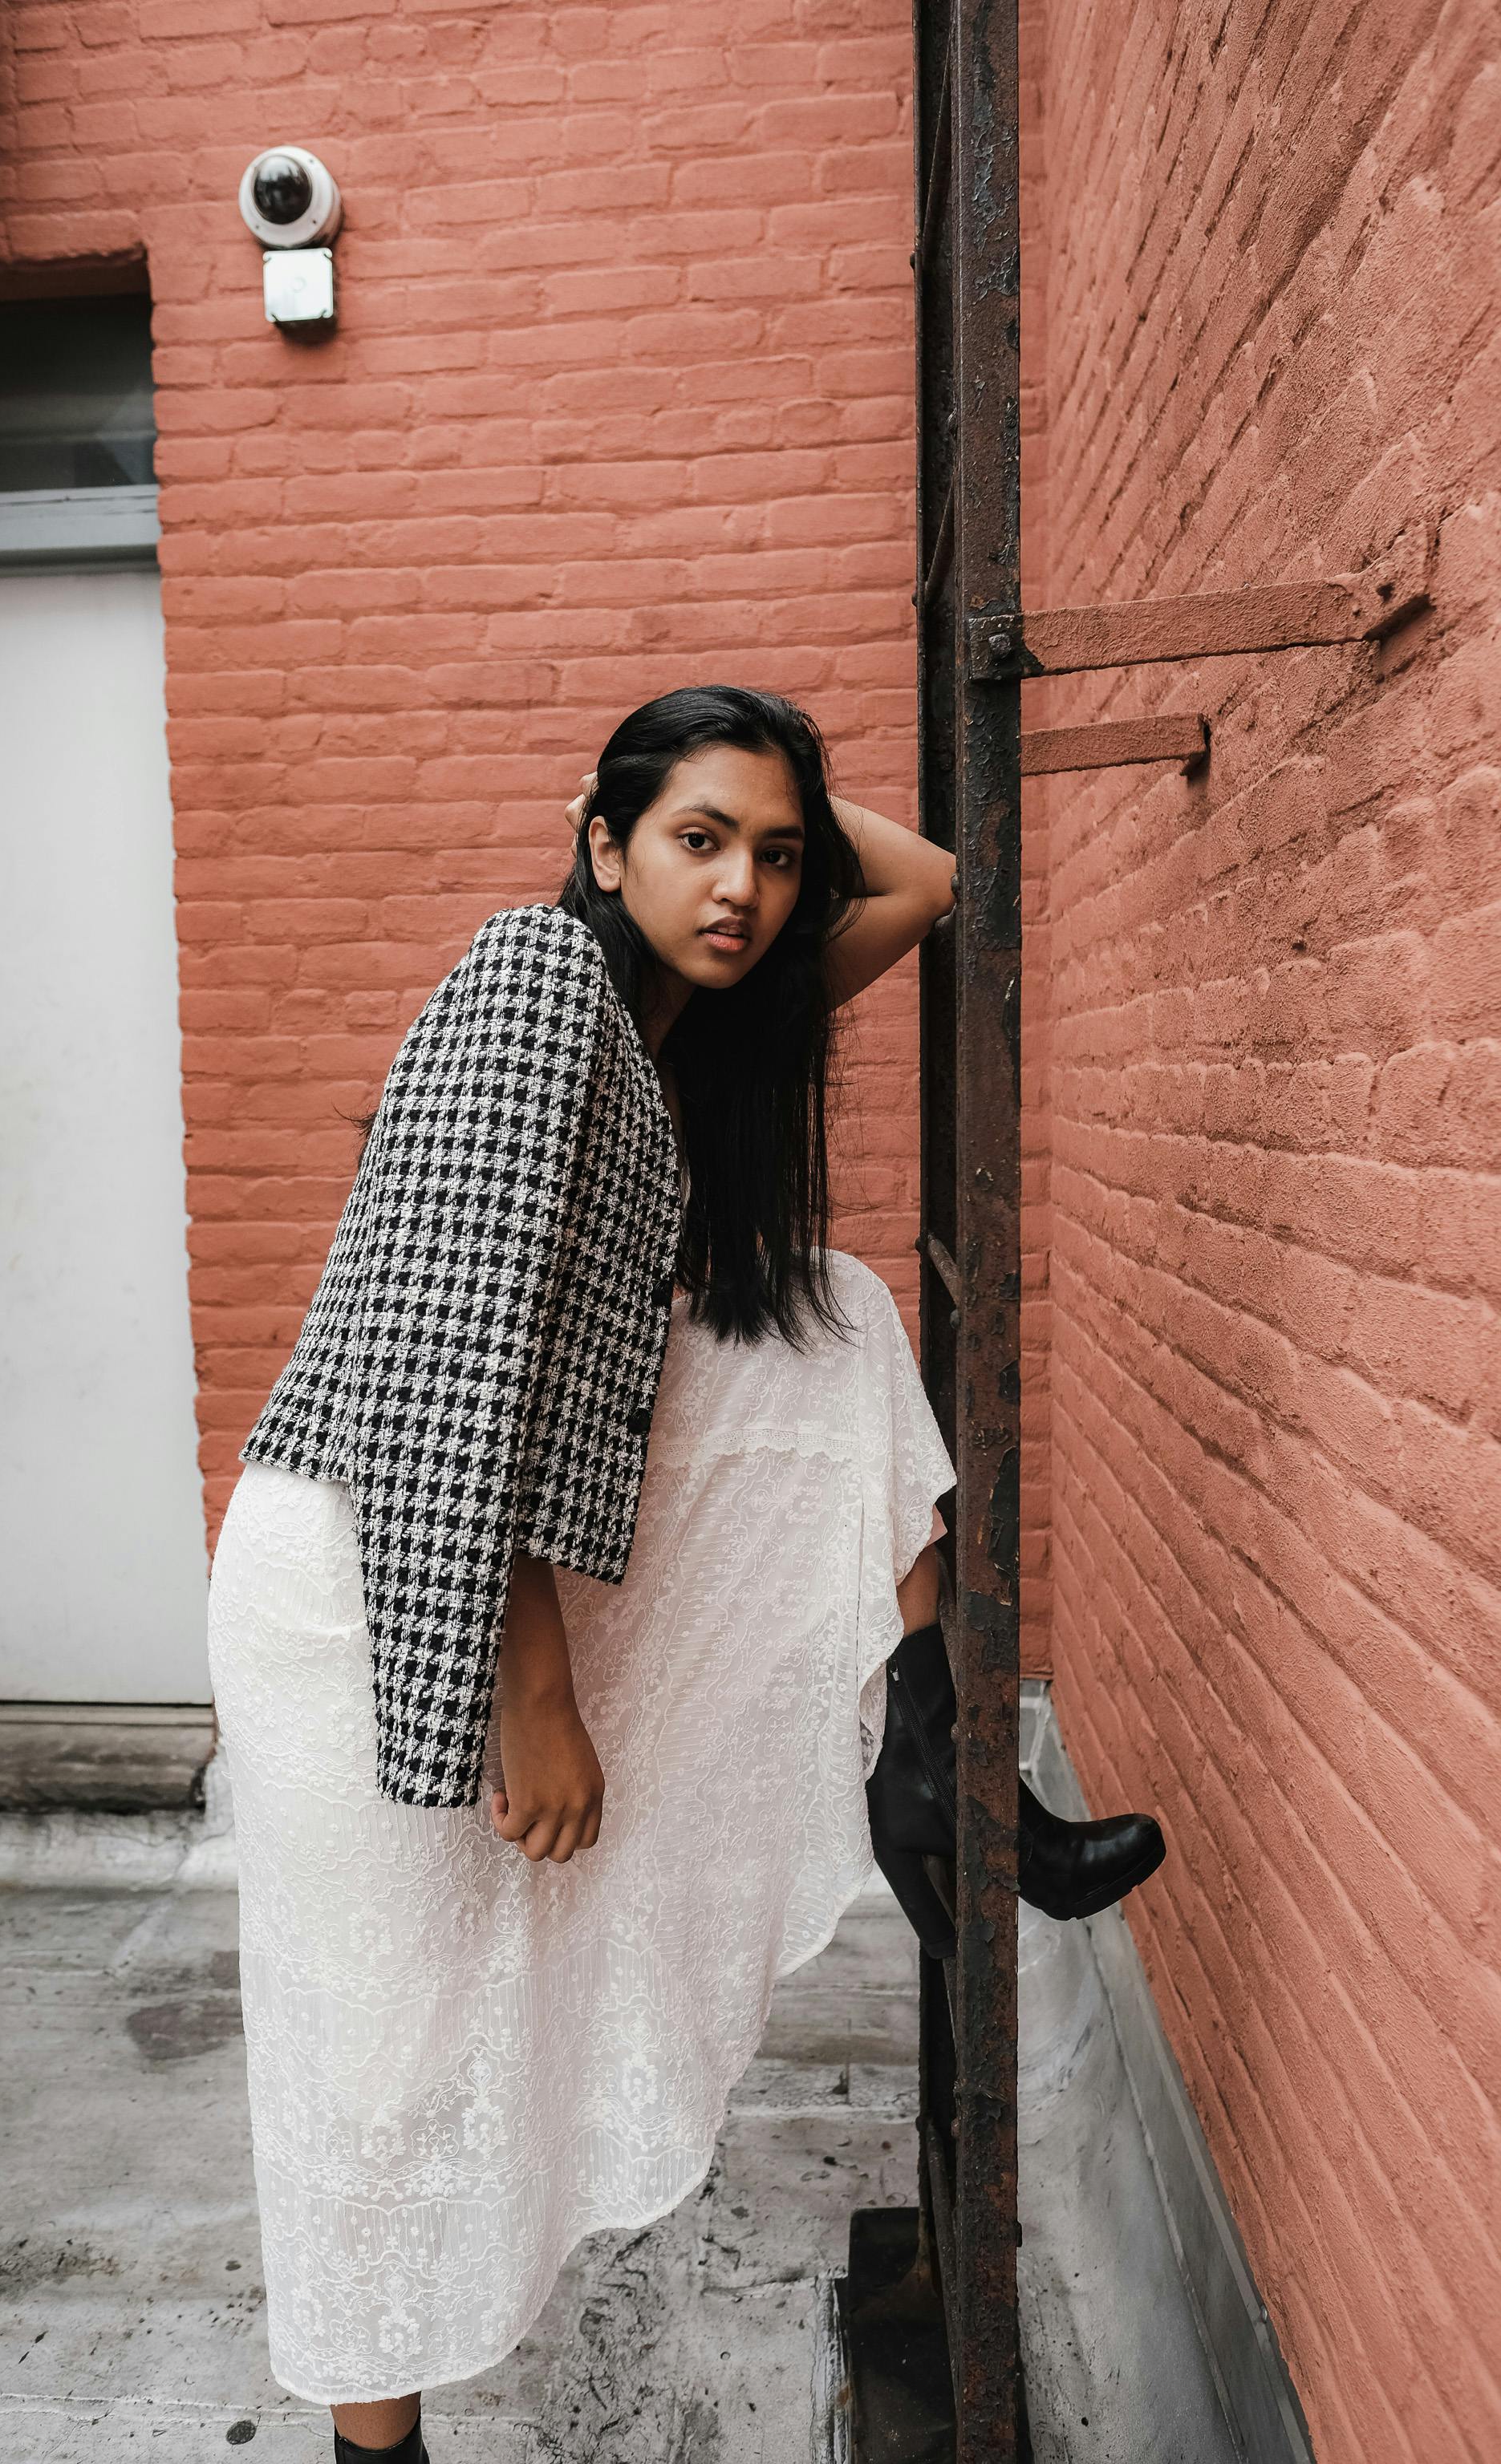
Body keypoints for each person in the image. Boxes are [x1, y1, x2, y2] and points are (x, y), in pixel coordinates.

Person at [208, 687, 1161, 2463]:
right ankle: (370, 2443)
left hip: (464, 1542)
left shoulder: (662, 1032)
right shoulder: (528, 986)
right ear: (599, 843)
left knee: (835, 1316)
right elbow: (445, 1366)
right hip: (366, 1574)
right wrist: (537, 1698)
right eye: (694, 840)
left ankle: (927, 1756)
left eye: (774, 855)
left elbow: (930, 877)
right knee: (375, 2053)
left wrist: (765, 808)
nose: (744, 887)